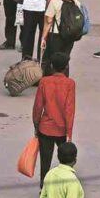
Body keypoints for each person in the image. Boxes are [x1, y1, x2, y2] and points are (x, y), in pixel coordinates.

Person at [33, 52, 76, 188]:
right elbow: (69, 110)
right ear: (66, 67)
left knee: (45, 162)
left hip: (45, 128)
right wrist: (69, 134)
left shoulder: (44, 82)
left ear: (51, 66)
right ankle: (64, 188)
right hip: (62, 130)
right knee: (66, 163)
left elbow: (38, 107)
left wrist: (36, 125)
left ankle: (43, 189)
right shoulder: (70, 84)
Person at [41, 0, 81, 76]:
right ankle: (64, 81)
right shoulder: (76, 3)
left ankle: (49, 82)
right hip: (70, 36)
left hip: (55, 36)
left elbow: (48, 21)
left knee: (51, 58)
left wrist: (43, 38)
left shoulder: (54, 2)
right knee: (65, 59)